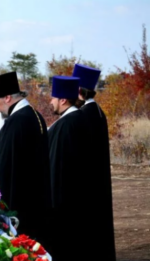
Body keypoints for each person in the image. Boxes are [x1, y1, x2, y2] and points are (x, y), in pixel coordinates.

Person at [0, 71, 52, 248]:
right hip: (37, 199)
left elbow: (3, 167)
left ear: (7, 98)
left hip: (19, 202)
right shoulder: (34, 115)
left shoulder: (15, 122)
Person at [72, 64, 116, 261]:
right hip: (98, 180)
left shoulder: (82, 115)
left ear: (79, 91)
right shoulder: (97, 111)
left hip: (87, 182)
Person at [47, 76, 92, 260]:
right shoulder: (78, 118)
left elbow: (58, 165)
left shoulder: (67, 123)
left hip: (64, 203)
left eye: (53, 98)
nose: (51, 102)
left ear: (63, 100)